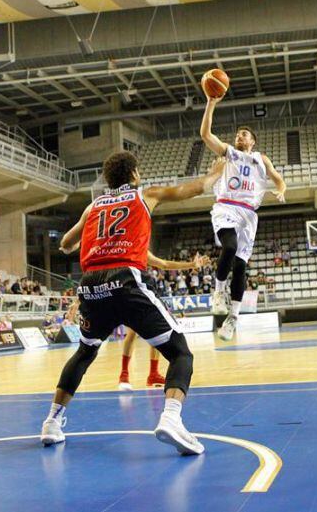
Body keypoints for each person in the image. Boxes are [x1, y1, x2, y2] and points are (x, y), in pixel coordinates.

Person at [39, 151, 222, 456]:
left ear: (109, 179)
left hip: (91, 284)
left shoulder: (93, 206)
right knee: (180, 352)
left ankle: (51, 423)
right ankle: (171, 419)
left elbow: (66, 244)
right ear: (135, 174)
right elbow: (195, 188)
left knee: (85, 352)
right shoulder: (145, 195)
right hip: (125, 278)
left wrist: (96, 239)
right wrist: (215, 172)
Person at [200, 93, 287, 341]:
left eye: (244, 134)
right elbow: (206, 135)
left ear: (253, 142)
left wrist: (281, 188)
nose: (239, 136)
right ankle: (218, 294)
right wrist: (211, 103)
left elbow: (277, 177)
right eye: (238, 133)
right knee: (229, 247)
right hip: (226, 207)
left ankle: (233, 318)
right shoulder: (228, 153)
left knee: (240, 266)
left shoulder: (261, 159)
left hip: (249, 215)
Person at [119, 252, 210, 390]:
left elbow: (164, 264)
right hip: (126, 292)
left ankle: (152, 374)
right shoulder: (119, 249)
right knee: (132, 333)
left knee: (157, 332)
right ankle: (124, 374)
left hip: (144, 292)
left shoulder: (139, 247)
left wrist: (192, 264)